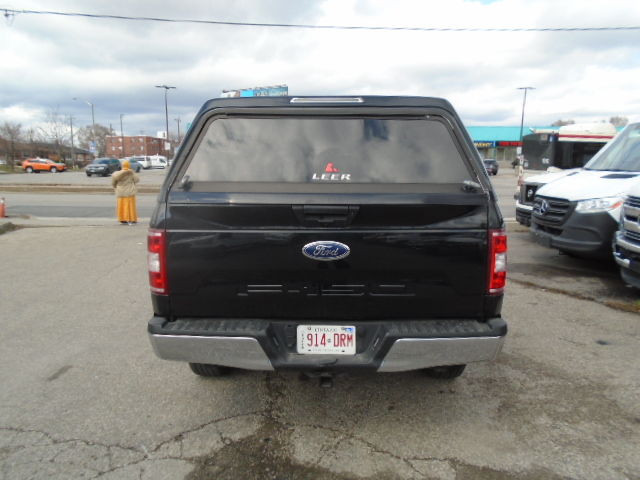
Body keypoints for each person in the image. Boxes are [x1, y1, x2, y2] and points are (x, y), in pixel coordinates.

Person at [111, 160, 140, 225]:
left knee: (122, 206)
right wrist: (133, 173)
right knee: (131, 207)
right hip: (130, 192)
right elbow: (137, 180)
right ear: (129, 166)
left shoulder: (116, 174)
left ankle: (122, 219)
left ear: (122, 166)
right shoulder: (131, 173)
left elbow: (113, 183)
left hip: (121, 192)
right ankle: (132, 219)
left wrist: (116, 187)